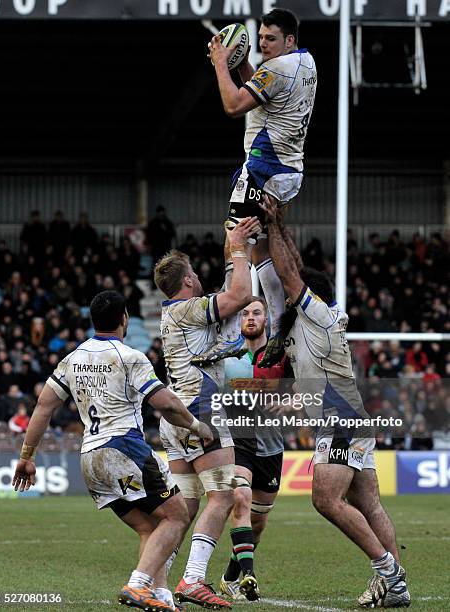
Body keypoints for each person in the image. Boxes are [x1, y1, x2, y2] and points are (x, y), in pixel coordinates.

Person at [12, 290, 214, 612]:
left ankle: (162, 598)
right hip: (123, 448)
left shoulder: (73, 358)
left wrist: (26, 457)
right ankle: (137, 585)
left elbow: (43, 406)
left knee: (150, 527)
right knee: (178, 516)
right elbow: (166, 403)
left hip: (90, 458)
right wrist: (199, 427)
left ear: (93, 320)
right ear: (124, 319)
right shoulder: (130, 356)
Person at [259, 195, 410, 609]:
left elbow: (290, 275)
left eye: (293, 296)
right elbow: (293, 266)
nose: (287, 300)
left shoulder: (318, 315)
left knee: (325, 500)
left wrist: (271, 227)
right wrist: (281, 224)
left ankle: (388, 572)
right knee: (368, 503)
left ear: (307, 297)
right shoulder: (318, 321)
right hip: (349, 416)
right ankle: (396, 585)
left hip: (341, 420)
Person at [199, 7, 317, 367]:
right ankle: (281, 329)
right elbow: (262, 86)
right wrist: (241, 64)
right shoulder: (305, 62)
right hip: (288, 169)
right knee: (261, 251)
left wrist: (222, 62)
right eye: (261, 37)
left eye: (271, 39)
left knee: (234, 243)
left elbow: (234, 105)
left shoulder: (278, 69)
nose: (263, 44)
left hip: (264, 170)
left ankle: (233, 333)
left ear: (289, 40)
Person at [154, 217, 260, 609]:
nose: (199, 278)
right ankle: (193, 579)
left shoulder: (178, 314)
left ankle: (152, 581)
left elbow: (232, 291)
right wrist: (237, 247)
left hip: (176, 416)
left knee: (185, 508)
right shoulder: (188, 310)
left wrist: (237, 247)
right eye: (195, 273)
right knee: (223, 496)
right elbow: (241, 295)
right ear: (187, 281)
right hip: (200, 411)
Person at [220, 297, 291, 601]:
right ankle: (250, 575)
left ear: (266, 320)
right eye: (245, 313)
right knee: (241, 497)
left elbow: (304, 391)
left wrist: (290, 402)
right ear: (239, 321)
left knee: (258, 523)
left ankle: (230, 577)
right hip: (239, 444)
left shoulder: (282, 357)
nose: (250, 318)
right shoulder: (227, 359)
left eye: (257, 313)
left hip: (272, 449)